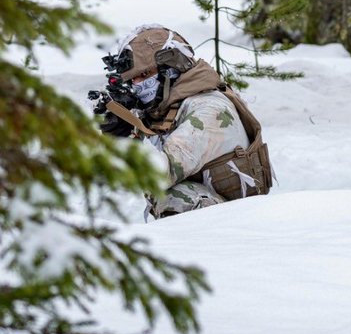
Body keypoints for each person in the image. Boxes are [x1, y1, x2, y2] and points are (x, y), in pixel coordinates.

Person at [93, 24, 273, 217]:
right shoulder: (169, 108)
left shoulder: (207, 110)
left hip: (241, 222)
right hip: (222, 212)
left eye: (144, 75)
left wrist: (124, 144)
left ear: (171, 69)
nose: (136, 85)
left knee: (174, 197)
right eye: (131, 80)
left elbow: (157, 174)